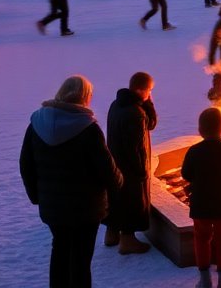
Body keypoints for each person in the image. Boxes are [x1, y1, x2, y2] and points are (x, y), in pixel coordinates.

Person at [19, 75, 122, 288]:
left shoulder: (37, 123)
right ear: (85, 97)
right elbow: (107, 170)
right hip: (86, 209)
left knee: (60, 251)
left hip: (53, 207)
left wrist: (37, 196)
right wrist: (118, 183)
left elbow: (25, 164)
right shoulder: (88, 128)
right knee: (81, 261)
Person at [181, 107, 221, 288]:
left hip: (200, 205)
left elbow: (186, 174)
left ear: (200, 130)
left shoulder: (194, 151)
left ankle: (204, 280)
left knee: (201, 239)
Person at [104, 73, 156, 256]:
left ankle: (111, 234)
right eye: (150, 90)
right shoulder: (136, 113)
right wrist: (141, 172)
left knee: (116, 198)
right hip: (130, 167)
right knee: (131, 201)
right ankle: (127, 241)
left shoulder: (116, 105)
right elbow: (137, 147)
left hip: (114, 162)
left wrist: (146, 103)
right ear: (142, 90)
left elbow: (150, 124)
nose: (150, 94)